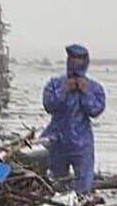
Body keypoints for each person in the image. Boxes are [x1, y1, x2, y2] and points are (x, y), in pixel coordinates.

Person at [42, 44, 106, 193]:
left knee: (84, 186)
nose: (76, 62)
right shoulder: (55, 84)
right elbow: (48, 105)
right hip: (57, 140)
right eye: (73, 58)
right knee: (56, 185)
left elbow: (96, 110)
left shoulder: (95, 88)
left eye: (80, 58)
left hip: (82, 143)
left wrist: (85, 93)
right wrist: (64, 90)